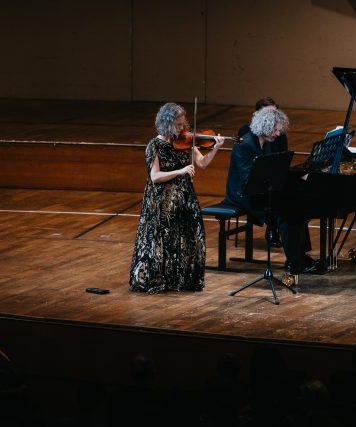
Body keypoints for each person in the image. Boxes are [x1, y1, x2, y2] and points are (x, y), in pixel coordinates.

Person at [130, 102, 224, 293]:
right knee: (163, 241)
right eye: (179, 125)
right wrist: (180, 171)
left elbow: (203, 163)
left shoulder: (186, 141)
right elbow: (155, 177)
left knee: (187, 238)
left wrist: (215, 148)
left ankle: (181, 280)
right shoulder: (154, 145)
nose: (183, 128)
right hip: (162, 201)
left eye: (183, 124)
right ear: (167, 123)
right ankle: (160, 280)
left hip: (185, 198)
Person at [224, 106, 316, 275]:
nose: (277, 134)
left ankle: (301, 256)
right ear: (265, 126)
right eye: (275, 130)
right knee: (284, 213)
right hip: (242, 194)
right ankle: (294, 262)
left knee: (299, 209)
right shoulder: (244, 145)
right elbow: (247, 181)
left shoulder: (267, 143)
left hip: (262, 190)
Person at [239, 97, 287, 247]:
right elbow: (246, 177)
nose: (278, 133)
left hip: (260, 185)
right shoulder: (245, 142)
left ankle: (299, 254)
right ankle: (293, 256)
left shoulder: (268, 140)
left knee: (290, 203)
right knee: (282, 206)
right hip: (244, 191)